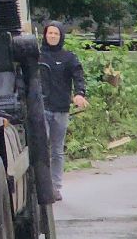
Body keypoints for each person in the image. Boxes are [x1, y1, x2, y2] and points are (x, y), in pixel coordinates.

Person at [35, 22, 87, 200]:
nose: (52, 36)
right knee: (43, 147)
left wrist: (79, 94)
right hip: (42, 109)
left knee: (57, 150)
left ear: (61, 36)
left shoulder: (68, 57)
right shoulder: (37, 56)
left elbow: (78, 77)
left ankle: (55, 187)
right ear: (45, 35)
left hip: (61, 110)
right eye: (50, 33)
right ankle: (42, 186)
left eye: (56, 34)